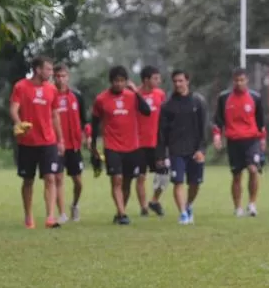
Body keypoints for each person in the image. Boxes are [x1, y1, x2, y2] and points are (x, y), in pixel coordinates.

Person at [89, 65, 152, 225]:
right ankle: (123, 214)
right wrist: (94, 144)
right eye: (116, 81)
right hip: (112, 146)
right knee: (116, 179)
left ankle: (119, 211)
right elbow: (95, 122)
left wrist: (136, 91)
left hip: (132, 146)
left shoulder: (132, 96)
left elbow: (146, 111)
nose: (119, 84)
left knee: (127, 182)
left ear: (126, 82)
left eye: (122, 81)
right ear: (111, 82)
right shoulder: (101, 99)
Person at [10, 56, 64, 229]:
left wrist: (60, 139)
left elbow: (55, 115)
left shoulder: (52, 89)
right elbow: (13, 109)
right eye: (48, 69)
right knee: (28, 180)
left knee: (50, 177)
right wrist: (18, 123)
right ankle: (28, 217)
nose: (51, 72)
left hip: (48, 141)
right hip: (27, 142)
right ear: (38, 69)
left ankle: (50, 217)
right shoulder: (20, 87)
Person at [157, 70, 209, 224]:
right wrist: (160, 155)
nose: (178, 84)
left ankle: (188, 205)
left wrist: (202, 149)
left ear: (187, 81)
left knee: (195, 183)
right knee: (178, 181)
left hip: (195, 150)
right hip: (176, 150)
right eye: (175, 81)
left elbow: (204, 127)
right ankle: (183, 214)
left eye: (181, 81)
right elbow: (161, 132)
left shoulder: (198, 102)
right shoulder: (167, 106)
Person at [214, 68, 266, 217]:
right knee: (237, 175)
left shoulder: (255, 97)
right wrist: (217, 136)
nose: (239, 83)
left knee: (253, 170)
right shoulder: (224, 98)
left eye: (242, 80)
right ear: (233, 81)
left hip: (251, 139)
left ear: (246, 80)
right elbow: (218, 121)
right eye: (236, 80)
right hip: (233, 141)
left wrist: (262, 139)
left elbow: (260, 121)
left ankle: (252, 204)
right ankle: (238, 207)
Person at [53, 63, 90, 223]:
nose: (61, 79)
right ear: (54, 77)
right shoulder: (50, 95)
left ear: (68, 77)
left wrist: (87, 136)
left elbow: (84, 121)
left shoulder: (77, 96)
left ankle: (74, 205)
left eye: (64, 76)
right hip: (56, 145)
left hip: (74, 145)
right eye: (58, 76)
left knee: (78, 182)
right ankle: (61, 214)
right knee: (58, 179)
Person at [137, 66, 168, 217]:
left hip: (157, 142)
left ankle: (154, 200)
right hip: (139, 143)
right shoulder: (134, 95)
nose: (159, 81)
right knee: (141, 176)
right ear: (146, 80)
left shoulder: (160, 94)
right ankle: (143, 208)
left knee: (163, 174)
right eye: (155, 78)